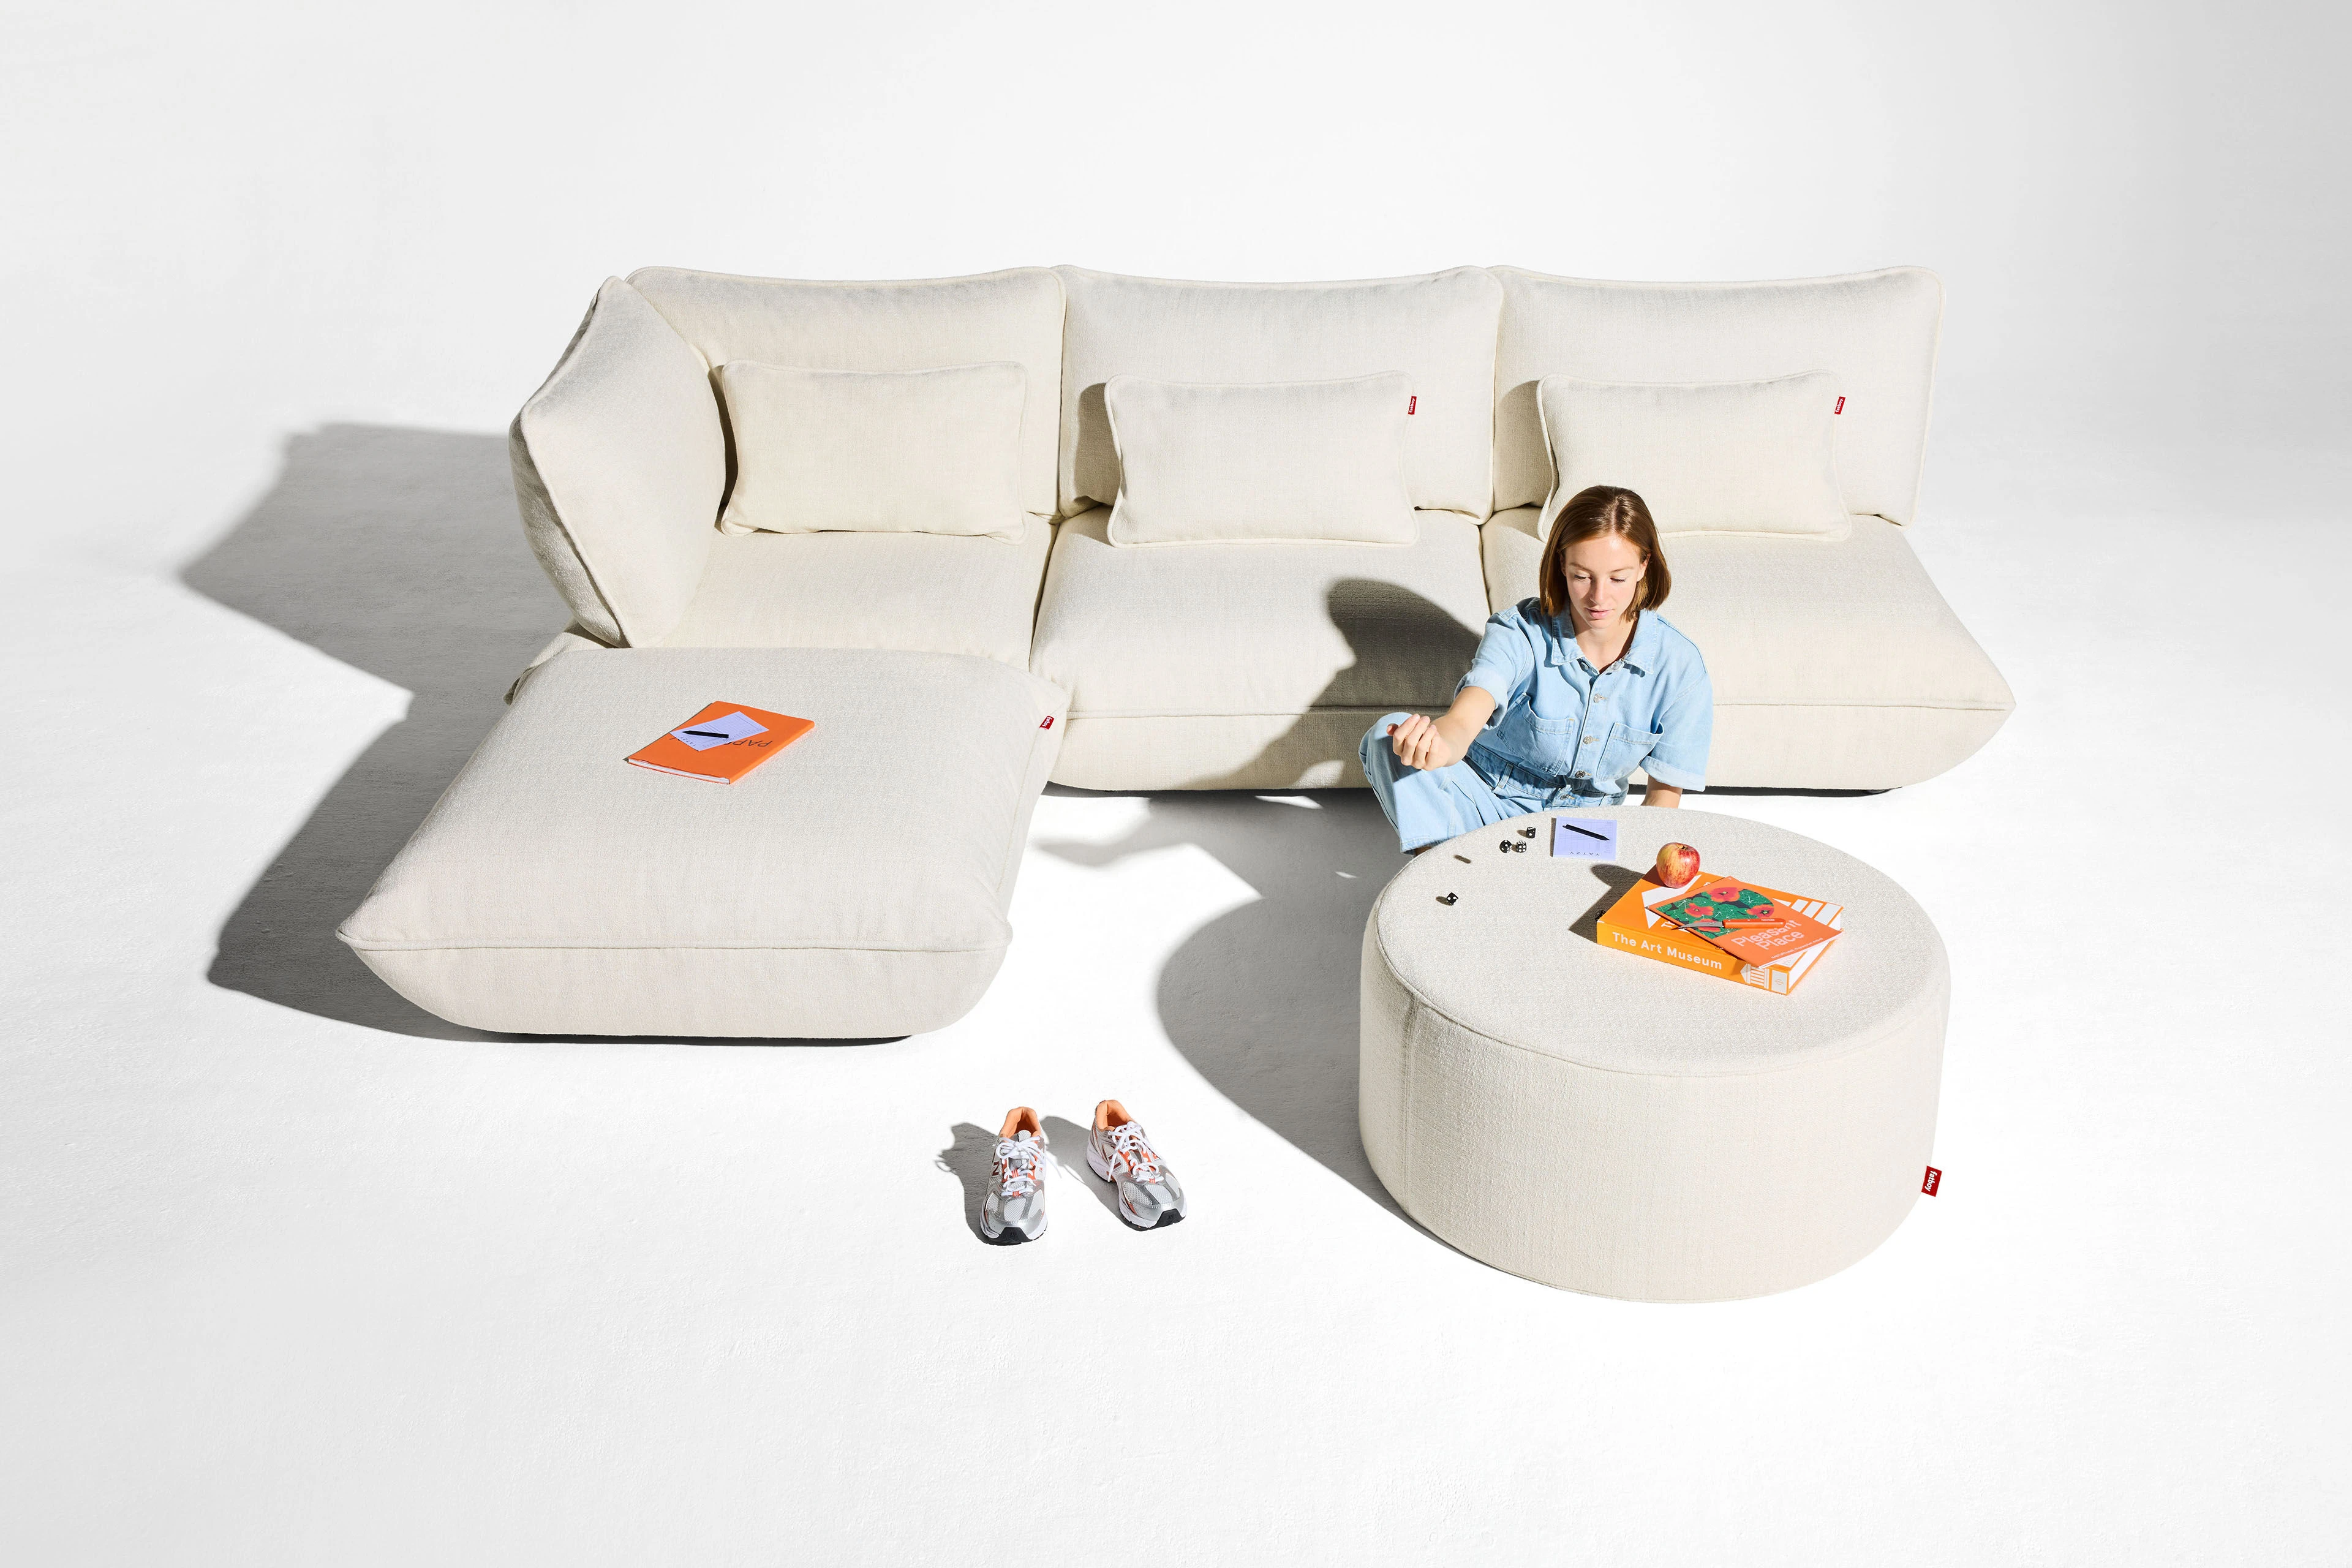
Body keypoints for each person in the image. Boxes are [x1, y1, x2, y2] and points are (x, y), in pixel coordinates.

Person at [1359, 484, 1712, 853]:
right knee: (1386, 736)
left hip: (1583, 834)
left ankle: (1488, 870)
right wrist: (1438, 747)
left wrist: (1635, 857)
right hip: (1484, 807)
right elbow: (1465, 717)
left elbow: (1662, 799)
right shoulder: (1518, 632)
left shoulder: (1679, 665)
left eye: (1618, 578)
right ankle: (1459, 873)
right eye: (1582, 576)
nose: (1599, 597)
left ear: (1644, 566)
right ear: (1562, 565)